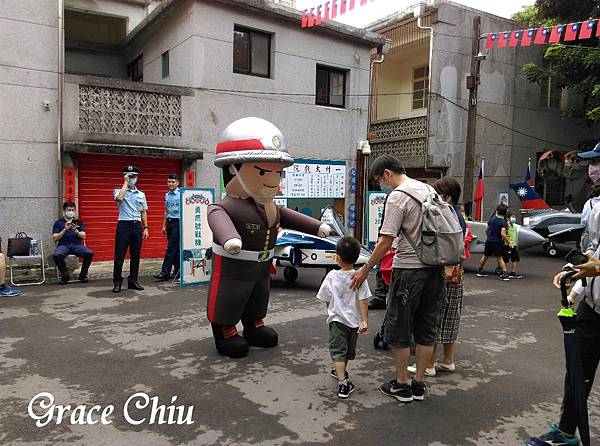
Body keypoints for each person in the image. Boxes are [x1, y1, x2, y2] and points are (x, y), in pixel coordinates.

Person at [206, 117, 330, 358]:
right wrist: (230, 238)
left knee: (258, 297)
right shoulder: (227, 206)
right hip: (235, 266)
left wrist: (317, 227)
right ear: (233, 169)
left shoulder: (270, 206)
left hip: (262, 266)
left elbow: (288, 216)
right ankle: (225, 330)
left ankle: (253, 325)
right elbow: (217, 219)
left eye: (277, 173)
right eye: (263, 171)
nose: (273, 179)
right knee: (229, 297)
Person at [351, 155, 446, 403]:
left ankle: (402, 385)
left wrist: (365, 269)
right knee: (427, 327)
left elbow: (386, 241)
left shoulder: (398, 196)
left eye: (378, 180)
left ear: (386, 174)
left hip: (409, 270)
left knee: (400, 326)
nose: (381, 185)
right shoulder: (429, 190)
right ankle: (419, 384)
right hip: (435, 269)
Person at [408, 177, 466, 377]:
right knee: (451, 317)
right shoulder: (458, 215)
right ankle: (448, 360)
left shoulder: (446, 213)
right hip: (457, 272)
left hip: (443, 271)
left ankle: (429, 364)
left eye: (437, 194)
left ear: (447, 197)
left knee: (431, 317)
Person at [317, 236, 370, 399]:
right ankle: (342, 373)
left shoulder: (332, 276)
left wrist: (331, 310)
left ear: (337, 257)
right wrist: (364, 320)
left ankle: (343, 384)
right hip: (353, 322)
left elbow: (325, 297)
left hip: (337, 321)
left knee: (338, 351)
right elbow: (363, 299)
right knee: (346, 351)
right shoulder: (359, 277)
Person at [112, 165, 149, 293]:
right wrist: (125, 183)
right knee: (119, 255)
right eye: (129, 176)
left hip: (136, 226)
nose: (132, 178)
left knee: (136, 255)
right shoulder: (118, 190)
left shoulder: (141, 194)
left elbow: (143, 211)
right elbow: (120, 198)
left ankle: (133, 281)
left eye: (134, 176)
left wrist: (145, 227)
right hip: (124, 225)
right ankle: (117, 282)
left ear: (137, 178)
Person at [52, 201, 94, 284]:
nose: (71, 212)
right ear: (64, 211)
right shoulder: (58, 223)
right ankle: (65, 276)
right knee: (57, 255)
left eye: (73, 210)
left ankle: (83, 275)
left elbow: (84, 235)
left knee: (89, 253)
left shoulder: (78, 222)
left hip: (76, 245)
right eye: (69, 210)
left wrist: (76, 230)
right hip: (64, 245)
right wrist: (64, 229)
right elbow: (54, 238)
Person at [155, 172, 181, 282]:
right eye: (169, 181)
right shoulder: (167, 195)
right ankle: (177, 271)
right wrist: (164, 226)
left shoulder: (182, 194)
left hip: (179, 223)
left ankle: (164, 272)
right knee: (174, 248)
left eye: (172, 182)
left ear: (177, 183)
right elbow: (166, 211)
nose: (170, 183)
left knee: (171, 248)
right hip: (170, 222)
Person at [476, 204, 510, 281]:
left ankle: (479, 271)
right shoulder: (503, 222)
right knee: (500, 258)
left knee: (485, 256)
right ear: (505, 213)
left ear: (497, 211)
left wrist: (488, 236)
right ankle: (504, 274)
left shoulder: (491, 220)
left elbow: (486, 229)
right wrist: (509, 242)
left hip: (489, 240)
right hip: (498, 242)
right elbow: (503, 234)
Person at [503, 211, 523, 279]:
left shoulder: (514, 226)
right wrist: (509, 242)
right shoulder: (506, 225)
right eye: (512, 217)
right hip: (507, 245)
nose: (514, 218)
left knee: (515, 259)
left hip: (513, 245)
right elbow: (504, 234)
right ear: (507, 218)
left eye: (514, 217)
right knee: (505, 259)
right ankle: (503, 272)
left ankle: (513, 272)